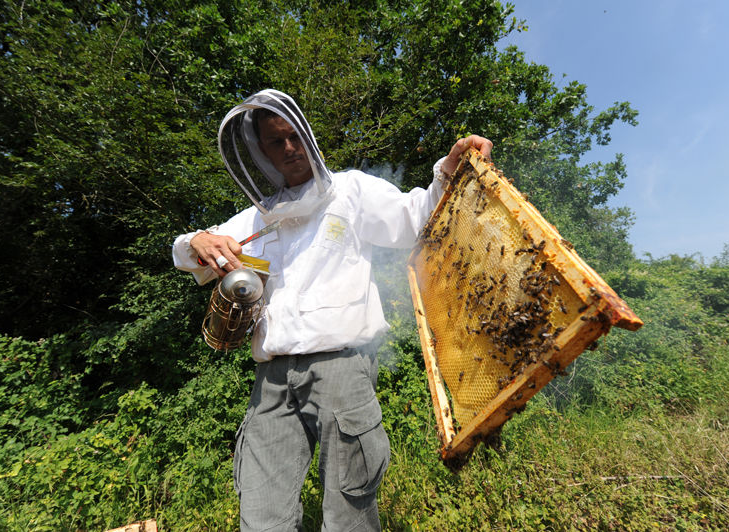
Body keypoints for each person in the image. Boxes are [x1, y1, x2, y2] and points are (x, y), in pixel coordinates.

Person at [172, 89, 492, 531]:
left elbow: (414, 217)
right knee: (261, 517)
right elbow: (188, 254)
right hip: (272, 381)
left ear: (306, 133)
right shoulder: (256, 217)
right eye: (274, 142)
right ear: (260, 152)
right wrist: (196, 241)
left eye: (292, 136)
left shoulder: (352, 190)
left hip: (342, 370)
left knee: (349, 515)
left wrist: (449, 171)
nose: (288, 148)